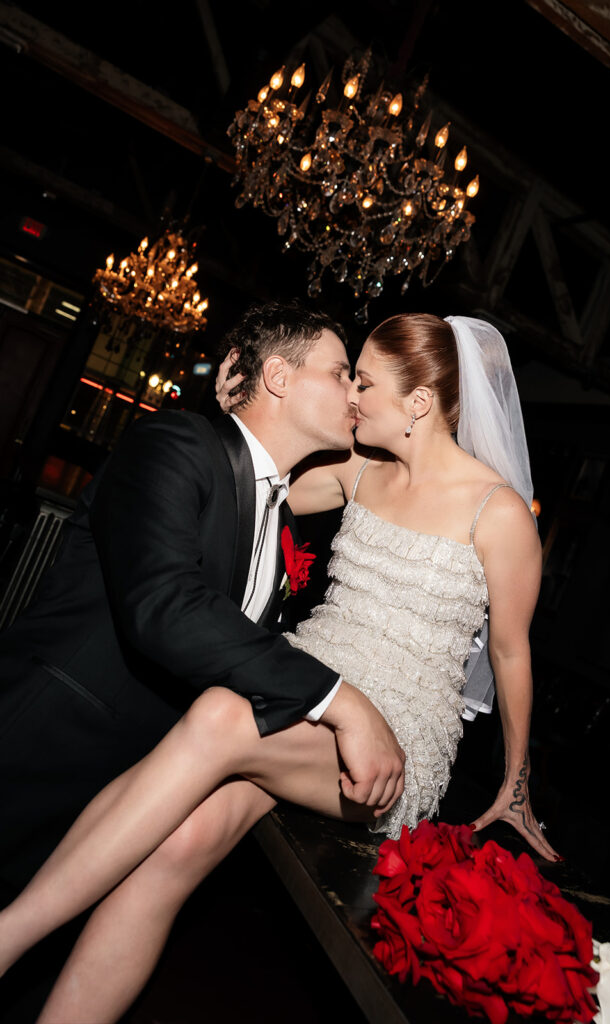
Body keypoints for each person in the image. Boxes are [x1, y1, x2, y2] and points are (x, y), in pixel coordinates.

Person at [0, 312, 556, 1023]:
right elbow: (248, 490)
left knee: (223, 712)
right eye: (345, 376)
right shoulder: (355, 471)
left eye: (364, 380)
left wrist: (515, 782)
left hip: (392, 723)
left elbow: (510, 650)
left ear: (418, 402)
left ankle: (9, 935)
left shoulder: (499, 512)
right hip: (305, 686)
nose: (352, 394)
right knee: (178, 845)